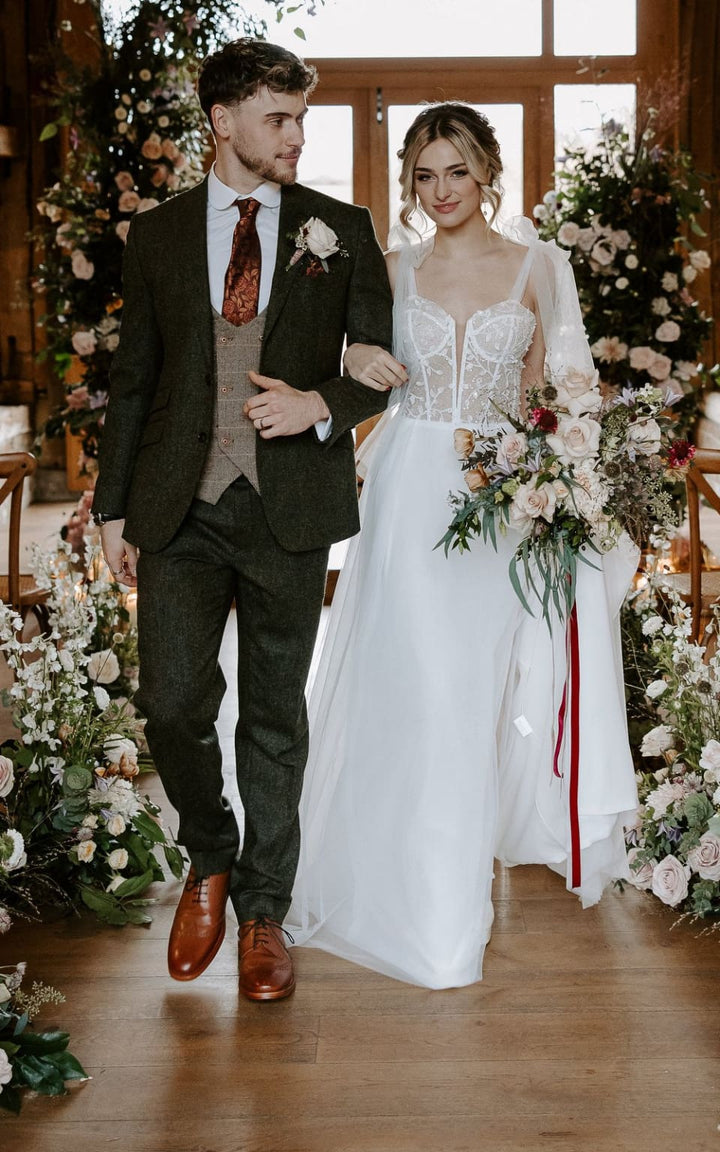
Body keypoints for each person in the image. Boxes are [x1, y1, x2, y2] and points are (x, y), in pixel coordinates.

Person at [287, 102, 639, 990]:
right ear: (410, 183)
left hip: (502, 499)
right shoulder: (391, 269)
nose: (440, 190)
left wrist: (560, 486)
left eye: (456, 171)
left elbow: (558, 395)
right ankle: (433, 911)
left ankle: (461, 877)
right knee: (423, 687)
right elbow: (356, 368)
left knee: (485, 688)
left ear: (486, 173)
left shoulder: (538, 266)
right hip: (410, 492)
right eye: (424, 175)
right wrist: (354, 365)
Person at [93, 38, 393, 1001]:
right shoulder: (158, 235)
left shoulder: (342, 229)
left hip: (287, 509)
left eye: (301, 117)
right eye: (278, 118)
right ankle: (211, 852)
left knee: (273, 716)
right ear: (222, 122)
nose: (297, 136)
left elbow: (380, 363)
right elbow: (134, 379)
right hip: (177, 504)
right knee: (171, 701)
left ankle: (264, 911)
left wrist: (320, 405)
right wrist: (110, 507)